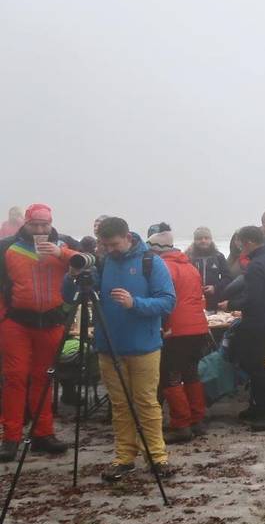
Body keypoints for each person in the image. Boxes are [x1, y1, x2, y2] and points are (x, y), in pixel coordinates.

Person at [65, 217, 176, 480]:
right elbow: (69, 296)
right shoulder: (103, 262)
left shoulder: (151, 262)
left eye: (114, 244)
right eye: (105, 245)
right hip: (109, 346)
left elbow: (168, 301)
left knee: (146, 403)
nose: (110, 249)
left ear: (127, 237)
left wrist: (134, 303)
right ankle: (124, 457)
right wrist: (72, 276)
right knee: (120, 405)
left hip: (145, 346)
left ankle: (157, 457)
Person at [0, 204, 74, 461]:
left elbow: (90, 263)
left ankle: (43, 434)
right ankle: (10, 438)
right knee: (15, 377)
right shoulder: (7, 247)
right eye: (35, 225)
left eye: (45, 225)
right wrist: (2, 318)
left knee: (44, 378)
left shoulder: (63, 244)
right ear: (26, 223)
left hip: (51, 322)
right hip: (16, 322)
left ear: (51, 224)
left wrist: (61, 253)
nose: (40, 230)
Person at [220, 225, 265, 432]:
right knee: (254, 364)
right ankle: (259, 408)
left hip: (258, 321)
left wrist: (230, 304)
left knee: (256, 367)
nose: (239, 247)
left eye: (240, 243)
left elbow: (252, 299)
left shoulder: (255, 265)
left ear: (249, 242)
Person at [148, 231, 210, 444]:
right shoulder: (189, 266)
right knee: (191, 373)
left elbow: (164, 300)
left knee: (170, 376)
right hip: (198, 326)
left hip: (176, 328)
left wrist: (163, 326)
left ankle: (181, 424)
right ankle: (197, 420)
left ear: (156, 250)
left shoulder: (163, 267)